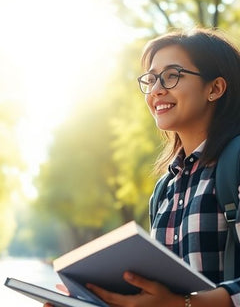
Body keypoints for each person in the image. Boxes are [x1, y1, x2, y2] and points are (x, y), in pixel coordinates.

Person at [45, 28, 240, 307]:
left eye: (172, 75)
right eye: (151, 79)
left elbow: (170, 302)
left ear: (215, 88)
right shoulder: (165, 189)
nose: (157, 89)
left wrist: (180, 304)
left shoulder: (234, 165)